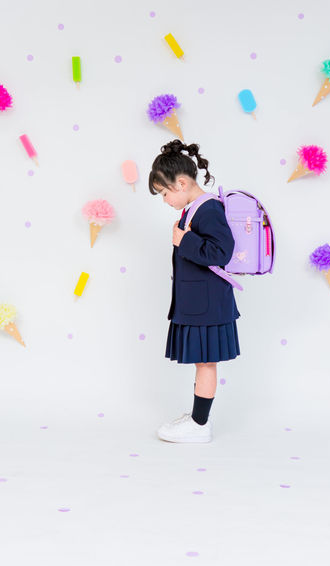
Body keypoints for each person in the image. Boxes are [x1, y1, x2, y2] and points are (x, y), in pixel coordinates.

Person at [148, 139, 241, 443]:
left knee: (206, 362)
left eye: (165, 193)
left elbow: (222, 251)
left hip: (208, 304)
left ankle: (200, 425)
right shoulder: (196, 209)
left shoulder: (208, 208)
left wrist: (183, 241)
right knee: (203, 362)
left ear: (182, 183)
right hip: (201, 302)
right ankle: (198, 417)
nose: (165, 200)